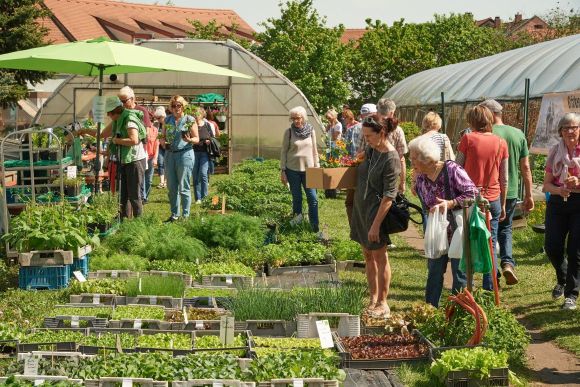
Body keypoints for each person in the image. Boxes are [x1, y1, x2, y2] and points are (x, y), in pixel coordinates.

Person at [409, 136, 478, 307]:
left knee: (459, 272)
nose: (411, 162)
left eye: (413, 158)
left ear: (427, 159)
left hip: (457, 230)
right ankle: (430, 312)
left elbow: (472, 193)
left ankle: (459, 312)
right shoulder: (420, 177)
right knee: (434, 271)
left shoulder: (452, 170)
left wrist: (451, 203)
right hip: (436, 230)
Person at [480, 99, 535, 285]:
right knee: (506, 228)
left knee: (490, 232)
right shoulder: (517, 134)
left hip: (490, 191)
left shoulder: (484, 133)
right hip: (510, 191)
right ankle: (507, 263)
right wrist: (528, 194)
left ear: (489, 113)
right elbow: (525, 167)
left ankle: (492, 271)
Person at [350, 114, 401, 318]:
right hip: (362, 210)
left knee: (380, 257)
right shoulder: (372, 150)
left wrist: (375, 226)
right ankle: (373, 299)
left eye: (369, 136)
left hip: (376, 213)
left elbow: (389, 195)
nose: (366, 139)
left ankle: (383, 302)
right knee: (368, 256)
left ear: (382, 133)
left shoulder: (391, 158)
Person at [456, 105, 508, 291]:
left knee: (465, 240)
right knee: (490, 242)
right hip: (492, 197)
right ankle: (490, 288)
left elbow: (457, 168)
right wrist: (502, 204)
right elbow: (504, 177)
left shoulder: (468, 139)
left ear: (472, 121)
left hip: (470, 198)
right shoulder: (501, 142)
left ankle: (464, 286)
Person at [542, 112, 580, 310]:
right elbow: (546, 185)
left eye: (574, 127)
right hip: (558, 201)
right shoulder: (555, 151)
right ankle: (563, 278)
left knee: (575, 250)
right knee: (552, 246)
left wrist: (578, 182)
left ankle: (571, 295)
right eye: (566, 128)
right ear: (561, 132)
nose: (570, 131)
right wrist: (559, 189)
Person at [105, 96, 147, 219]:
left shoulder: (129, 119)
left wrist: (117, 140)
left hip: (135, 160)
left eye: (109, 113)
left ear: (115, 111)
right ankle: (123, 220)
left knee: (134, 194)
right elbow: (102, 134)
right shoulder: (118, 120)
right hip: (124, 159)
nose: (108, 115)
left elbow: (134, 140)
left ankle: (139, 223)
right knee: (123, 194)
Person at [280, 106, 320, 232]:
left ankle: (314, 227)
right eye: (294, 118)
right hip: (292, 170)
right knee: (297, 199)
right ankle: (297, 225)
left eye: (298, 118)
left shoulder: (311, 131)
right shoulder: (289, 132)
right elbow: (283, 152)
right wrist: (283, 170)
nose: (296, 121)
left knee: (313, 198)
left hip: (309, 170)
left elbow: (314, 150)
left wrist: (317, 166)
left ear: (303, 117)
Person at [161, 95, 199, 222]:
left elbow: (197, 139)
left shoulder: (189, 119)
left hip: (185, 154)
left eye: (179, 105)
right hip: (170, 154)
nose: (176, 108)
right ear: (170, 107)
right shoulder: (167, 120)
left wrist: (189, 139)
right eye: (173, 105)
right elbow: (163, 136)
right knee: (172, 187)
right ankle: (174, 215)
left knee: (184, 186)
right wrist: (162, 141)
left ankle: (186, 216)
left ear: (183, 106)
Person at [118, 86, 152, 202]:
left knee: (136, 188)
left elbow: (146, 132)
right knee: (126, 190)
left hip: (138, 153)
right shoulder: (122, 112)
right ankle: (127, 215)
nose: (122, 104)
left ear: (132, 99)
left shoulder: (141, 110)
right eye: (120, 101)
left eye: (124, 101)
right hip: (124, 153)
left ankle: (139, 208)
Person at [346, 103, 377, 226]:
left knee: (369, 202)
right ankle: (356, 228)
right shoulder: (362, 128)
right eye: (363, 117)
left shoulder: (378, 130)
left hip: (372, 171)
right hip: (361, 168)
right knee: (351, 201)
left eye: (368, 116)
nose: (365, 119)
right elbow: (359, 150)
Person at [376, 98, 408, 194]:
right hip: (390, 175)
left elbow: (360, 152)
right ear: (391, 113)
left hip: (370, 174)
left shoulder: (369, 128)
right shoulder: (398, 131)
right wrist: (402, 183)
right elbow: (401, 159)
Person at [192, 107, 213, 203]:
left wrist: (209, 141)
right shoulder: (191, 125)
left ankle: (205, 197)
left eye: (197, 114)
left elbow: (212, 137)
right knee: (195, 174)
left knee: (203, 174)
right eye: (194, 114)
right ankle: (198, 198)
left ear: (202, 115)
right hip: (194, 152)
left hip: (205, 152)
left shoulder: (207, 125)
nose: (196, 116)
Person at [153, 106, 167, 188]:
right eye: (157, 118)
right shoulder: (155, 124)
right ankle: (162, 182)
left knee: (167, 164)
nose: (158, 119)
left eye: (159, 118)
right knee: (161, 163)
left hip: (167, 145)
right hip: (159, 146)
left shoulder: (168, 123)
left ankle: (166, 181)